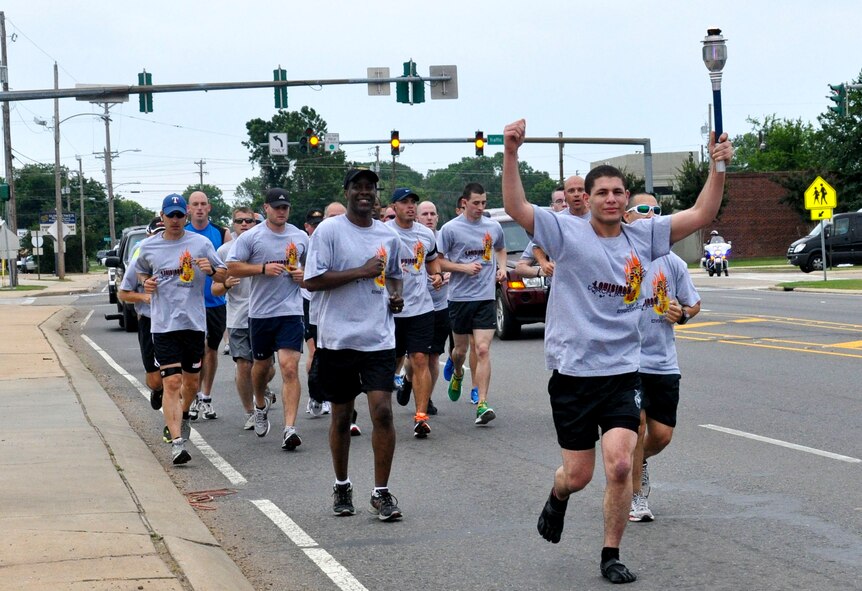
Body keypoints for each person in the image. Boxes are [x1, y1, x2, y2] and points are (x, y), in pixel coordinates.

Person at [501, 118, 731, 584]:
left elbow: (702, 213)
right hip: (573, 372)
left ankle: (611, 553)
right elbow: (516, 205)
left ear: (626, 199)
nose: (610, 198)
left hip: (624, 371)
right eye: (601, 191)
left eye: (618, 191)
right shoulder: (566, 232)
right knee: (579, 475)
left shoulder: (643, 237)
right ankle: (558, 495)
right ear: (588, 198)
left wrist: (719, 166)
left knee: (623, 463)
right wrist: (510, 152)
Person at [304, 168, 405, 521]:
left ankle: (381, 493)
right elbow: (312, 280)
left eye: (370, 188)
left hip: (378, 338)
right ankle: (342, 484)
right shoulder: (330, 231)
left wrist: (396, 298)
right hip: (338, 339)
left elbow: (394, 278)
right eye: (358, 187)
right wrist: (361, 271)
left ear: (376, 195)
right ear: (346, 191)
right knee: (343, 416)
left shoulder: (388, 235)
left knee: (383, 412)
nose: (365, 193)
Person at [623, 193, 701, 523]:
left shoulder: (672, 261)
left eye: (657, 210)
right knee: (636, 424)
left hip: (663, 361)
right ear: (627, 217)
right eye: (644, 210)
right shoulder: (618, 257)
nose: (652, 215)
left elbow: (693, 303)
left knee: (661, 436)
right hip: (626, 360)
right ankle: (636, 496)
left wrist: (681, 313)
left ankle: (633, 462)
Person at [135, 194, 227, 465]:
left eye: (179, 215)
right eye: (170, 215)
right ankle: (177, 443)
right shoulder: (149, 247)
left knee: (190, 383)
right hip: (163, 325)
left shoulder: (201, 243)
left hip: (194, 323)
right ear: (162, 217)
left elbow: (224, 275)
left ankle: (184, 414)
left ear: (186, 217)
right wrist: (145, 284)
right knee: (171, 382)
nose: (175, 220)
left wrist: (211, 271)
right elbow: (137, 273)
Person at [226, 188, 308, 451]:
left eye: (285, 207)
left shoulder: (300, 236)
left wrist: (302, 275)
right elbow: (232, 266)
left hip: (291, 311)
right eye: (276, 207)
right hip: (261, 313)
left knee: (289, 367)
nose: (281, 211)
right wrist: (262, 268)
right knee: (259, 367)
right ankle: (259, 404)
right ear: (266, 209)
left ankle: (289, 429)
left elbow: (315, 269)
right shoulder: (252, 237)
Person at [437, 182, 506, 425]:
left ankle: (483, 403)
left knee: (483, 349)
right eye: (475, 203)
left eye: (483, 203)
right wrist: (463, 268)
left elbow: (500, 248)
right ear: (464, 203)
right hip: (459, 298)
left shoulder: (493, 226)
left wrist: (502, 268)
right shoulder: (450, 229)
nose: (480, 207)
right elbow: (439, 263)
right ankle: (457, 373)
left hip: (485, 298)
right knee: (460, 351)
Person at [386, 188, 442, 438]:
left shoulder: (426, 234)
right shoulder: (384, 233)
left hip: (421, 308)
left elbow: (431, 259)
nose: (410, 206)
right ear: (394, 207)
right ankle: (382, 410)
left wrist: (437, 274)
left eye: (413, 203)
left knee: (420, 358)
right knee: (391, 363)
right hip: (390, 310)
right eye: (405, 202)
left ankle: (421, 416)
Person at [211, 207, 261, 431]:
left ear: (255, 222)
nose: (244, 224)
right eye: (239, 221)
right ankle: (250, 412)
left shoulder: (265, 247)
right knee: (243, 365)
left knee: (265, 368)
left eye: (248, 221)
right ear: (233, 224)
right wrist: (226, 284)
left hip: (264, 315)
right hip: (237, 318)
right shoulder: (223, 252)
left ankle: (261, 388)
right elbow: (214, 289)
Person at [185, 190, 232, 421]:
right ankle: (192, 396)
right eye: (196, 204)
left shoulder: (221, 233)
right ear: (188, 209)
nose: (200, 208)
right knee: (198, 350)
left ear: (209, 208)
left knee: (211, 350)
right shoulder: (182, 234)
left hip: (215, 301)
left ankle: (206, 396)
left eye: (204, 204)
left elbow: (228, 266)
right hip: (190, 303)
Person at [117, 217, 165, 436]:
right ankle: (158, 390)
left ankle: (177, 416)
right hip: (148, 321)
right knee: (156, 379)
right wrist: (144, 297)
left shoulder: (181, 256)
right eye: (156, 234)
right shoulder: (139, 260)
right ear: (149, 237)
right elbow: (123, 294)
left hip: (176, 322)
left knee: (180, 376)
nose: (160, 238)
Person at [516, 177, 589, 279]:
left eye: (580, 190)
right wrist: (543, 264)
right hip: (562, 287)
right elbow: (536, 246)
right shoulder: (557, 221)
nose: (576, 194)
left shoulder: (599, 218)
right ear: (566, 195)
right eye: (571, 191)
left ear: (588, 193)